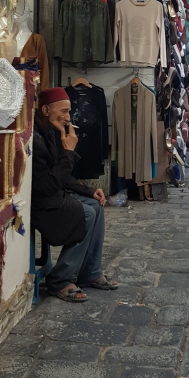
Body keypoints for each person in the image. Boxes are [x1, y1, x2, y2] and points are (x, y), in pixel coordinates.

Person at [32, 87, 117, 303]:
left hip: (52, 195)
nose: (68, 118)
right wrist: (68, 152)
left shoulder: (49, 132)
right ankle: (60, 280)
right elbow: (48, 185)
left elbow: (61, 177)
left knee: (96, 205)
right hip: (41, 203)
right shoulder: (35, 139)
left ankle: (90, 272)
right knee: (86, 213)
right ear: (45, 110)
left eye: (69, 112)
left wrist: (89, 190)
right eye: (64, 112)